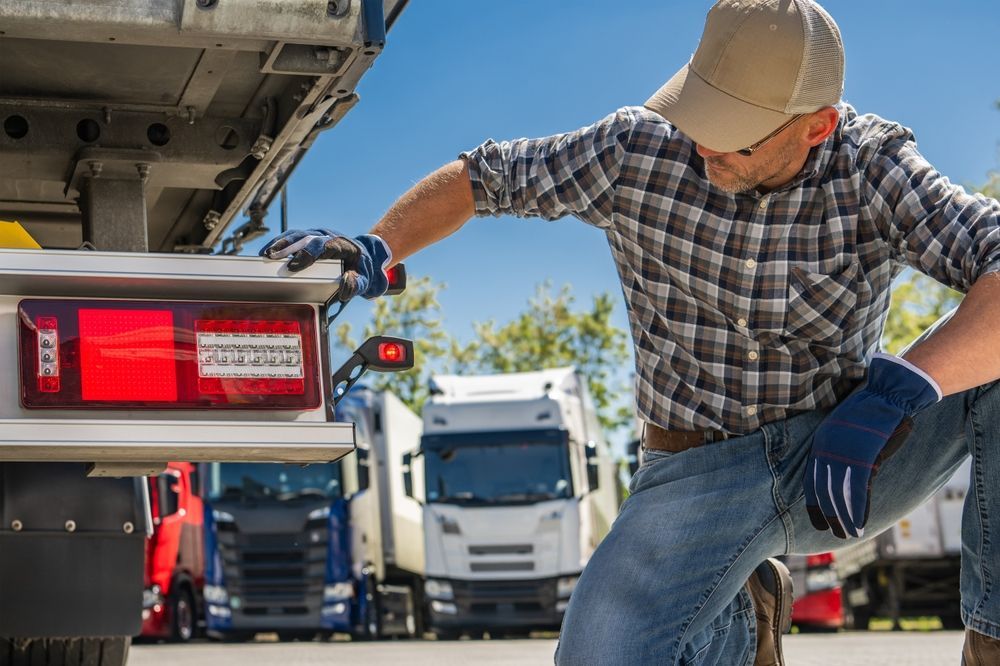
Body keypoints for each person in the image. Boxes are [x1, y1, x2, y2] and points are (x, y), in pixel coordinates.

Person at [261, 0, 1000, 663]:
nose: (706, 148)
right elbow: (481, 179)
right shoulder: (635, 152)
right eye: (700, 118)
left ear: (818, 126)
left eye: (736, 138)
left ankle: (993, 634)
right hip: (696, 472)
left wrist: (899, 391)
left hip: (842, 454)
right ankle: (742, 621)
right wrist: (379, 247)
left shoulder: (872, 167)